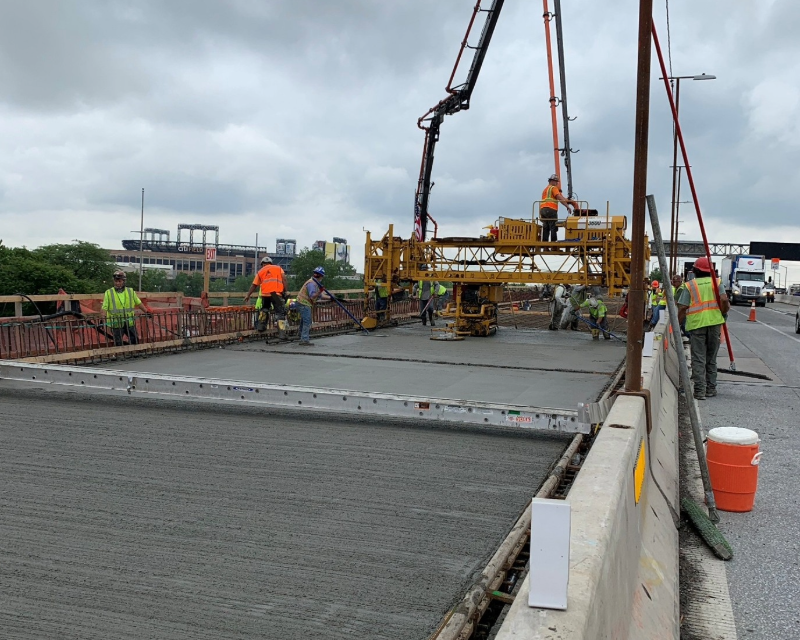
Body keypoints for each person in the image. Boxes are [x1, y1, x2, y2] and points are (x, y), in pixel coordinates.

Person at [677, 257, 730, 400]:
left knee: (699, 358)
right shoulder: (717, 282)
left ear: (695, 271)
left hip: (697, 326)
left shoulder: (690, 285)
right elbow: (724, 300)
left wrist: (676, 325)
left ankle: (700, 391)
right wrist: (723, 312)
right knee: (711, 358)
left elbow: (682, 308)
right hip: (714, 324)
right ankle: (711, 389)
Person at [102, 270, 152, 346]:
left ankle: (134, 354)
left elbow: (138, 303)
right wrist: (103, 320)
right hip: (116, 324)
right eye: (116, 281)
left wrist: (146, 312)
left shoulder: (130, 291)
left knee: (134, 340)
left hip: (129, 322)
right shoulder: (109, 293)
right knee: (118, 343)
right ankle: (119, 355)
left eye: (119, 281)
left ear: (124, 281)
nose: (117, 283)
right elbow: (104, 308)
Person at [244, 256, 288, 331]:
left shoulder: (260, 271)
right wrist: (286, 291)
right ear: (271, 263)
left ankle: (261, 327)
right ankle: (282, 333)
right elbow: (284, 279)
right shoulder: (278, 268)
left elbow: (254, 285)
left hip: (265, 295)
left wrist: (248, 295)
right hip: (276, 294)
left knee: (264, 309)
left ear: (262, 264)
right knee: (280, 312)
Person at [295, 266, 335, 346]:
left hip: (302, 303)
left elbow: (321, 295)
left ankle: (301, 335)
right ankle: (304, 339)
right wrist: (320, 292)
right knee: (307, 321)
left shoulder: (315, 283)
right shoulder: (312, 283)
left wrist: (330, 297)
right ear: (321, 276)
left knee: (304, 321)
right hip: (304, 303)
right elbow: (312, 296)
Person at [539, 173, 578, 243]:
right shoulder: (553, 188)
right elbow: (559, 197)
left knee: (546, 227)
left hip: (543, 210)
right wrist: (567, 206)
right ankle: (553, 244)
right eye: (556, 182)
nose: (557, 183)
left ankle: (545, 245)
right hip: (550, 209)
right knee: (553, 226)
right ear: (552, 181)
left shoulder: (545, 189)